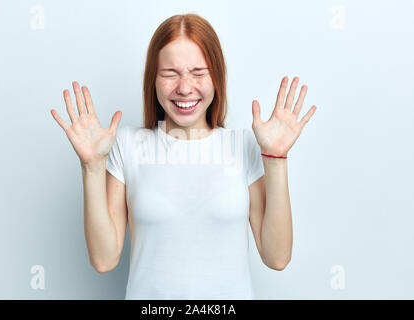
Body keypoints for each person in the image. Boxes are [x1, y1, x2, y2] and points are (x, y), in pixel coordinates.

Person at [50, 13, 316, 300]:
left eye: (199, 73)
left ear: (217, 78)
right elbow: (104, 260)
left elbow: (277, 257)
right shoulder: (128, 145)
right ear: (153, 79)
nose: (185, 88)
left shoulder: (243, 146)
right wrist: (92, 167)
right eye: (170, 74)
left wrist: (275, 158)